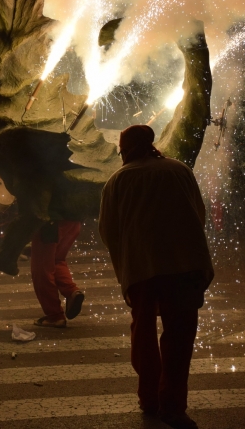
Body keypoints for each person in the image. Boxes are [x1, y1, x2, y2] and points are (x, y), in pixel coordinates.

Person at [98, 125, 214, 429]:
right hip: (184, 264)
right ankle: (173, 407)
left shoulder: (117, 180)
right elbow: (197, 214)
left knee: (144, 335)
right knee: (179, 337)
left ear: (126, 150)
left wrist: (128, 259)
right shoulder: (179, 170)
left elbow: (108, 231)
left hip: (142, 269)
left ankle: (149, 397)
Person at [30, 221, 85, 328]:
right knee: (56, 260)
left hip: (51, 223)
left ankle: (55, 317)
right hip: (73, 221)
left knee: (42, 268)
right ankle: (72, 292)